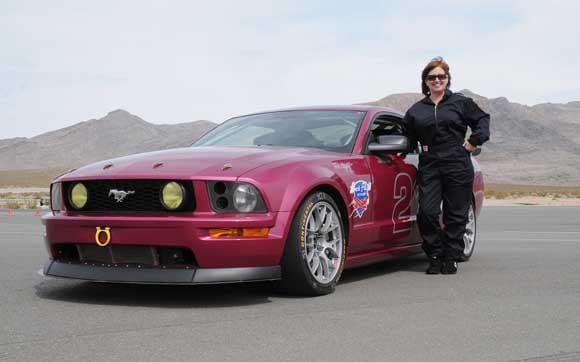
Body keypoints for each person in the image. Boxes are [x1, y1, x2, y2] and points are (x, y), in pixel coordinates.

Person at [403, 57, 490, 274]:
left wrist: (473, 142)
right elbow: (407, 138)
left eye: (442, 76)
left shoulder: (460, 103)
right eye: (432, 77)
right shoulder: (416, 110)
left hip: (457, 161)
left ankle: (451, 256)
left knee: (456, 213)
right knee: (428, 213)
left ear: (448, 79)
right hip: (429, 163)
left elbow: (483, 120)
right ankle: (434, 253)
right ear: (425, 81)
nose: (437, 80)